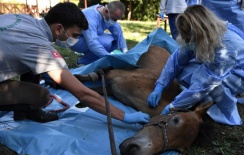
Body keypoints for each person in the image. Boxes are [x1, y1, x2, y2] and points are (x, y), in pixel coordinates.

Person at [0, 2, 150, 124]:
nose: (75, 40)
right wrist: (125, 116)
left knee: (34, 67)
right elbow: (83, 93)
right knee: (42, 96)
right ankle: (26, 110)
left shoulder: (23, 18)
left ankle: (21, 112)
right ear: (59, 28)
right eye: (74, 35)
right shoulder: (39, 47)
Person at [147, 5, 244, 125]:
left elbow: (205, 83)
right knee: (186, 71)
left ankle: (224, 110)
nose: (187, 42)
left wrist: (173, 106)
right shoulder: (202, 34)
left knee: (210, 84)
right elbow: (177, 60)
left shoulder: (226, 46)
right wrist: (160, 86)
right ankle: (197, 97)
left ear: (199, 32)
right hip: (225, 67)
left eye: (189, 38)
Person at [70, 1, 128, 66]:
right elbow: (93, 44)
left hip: (89, 39)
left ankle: (88, 60)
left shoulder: (107, 15)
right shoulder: (90, 17)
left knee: (115, 41)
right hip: (77, 41)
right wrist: (110, 58)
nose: (115, 22)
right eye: (114, 19)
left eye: (117, 19)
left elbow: (119, 34)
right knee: (107, 42)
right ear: (106, 11)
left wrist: (126, 52)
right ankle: (82, 62)